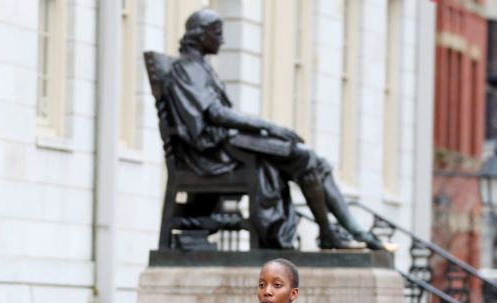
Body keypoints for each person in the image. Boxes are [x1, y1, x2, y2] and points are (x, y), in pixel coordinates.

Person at [165, 9, 391, 251]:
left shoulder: (200, 68)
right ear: (200, 36)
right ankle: (334, 233)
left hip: (226, 145)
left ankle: (345, 231)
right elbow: (215, 114)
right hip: (211, 153)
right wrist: (268, 126)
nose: (222, 40)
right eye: (217, 33)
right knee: (304, 156)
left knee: (316, 161)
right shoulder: (187, 69)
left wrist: (270, 130)